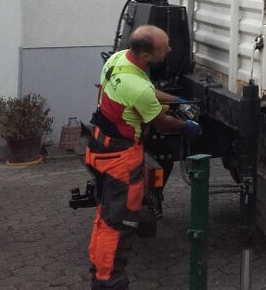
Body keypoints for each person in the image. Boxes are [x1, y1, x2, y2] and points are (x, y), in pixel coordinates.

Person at [85, 24, 201, 290]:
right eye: (164, 47)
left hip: (101, 147)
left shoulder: (119, 59)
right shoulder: (137, 87)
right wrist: (186, 126)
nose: (169, 49)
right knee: (120, 224)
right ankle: (109, 281)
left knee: (105, 217)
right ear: (146, 55)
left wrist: (177, 100)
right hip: (121, 160)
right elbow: (162, 122)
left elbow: (146, 91)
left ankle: (99, 267)